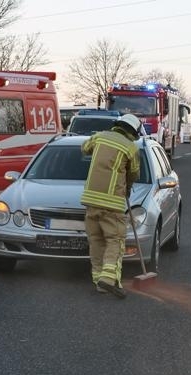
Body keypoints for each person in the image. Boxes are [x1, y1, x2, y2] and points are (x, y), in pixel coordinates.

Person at [79, 113, 142, 299]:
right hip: (112, 202)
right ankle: (109, 278)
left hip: (91, 200)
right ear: (133, 132)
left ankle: (99, 280)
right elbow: (134, 174)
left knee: (96, 239)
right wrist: (127, 188)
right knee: (115, 240)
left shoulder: (99, 137)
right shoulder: (130, 148)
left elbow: (84, 148)